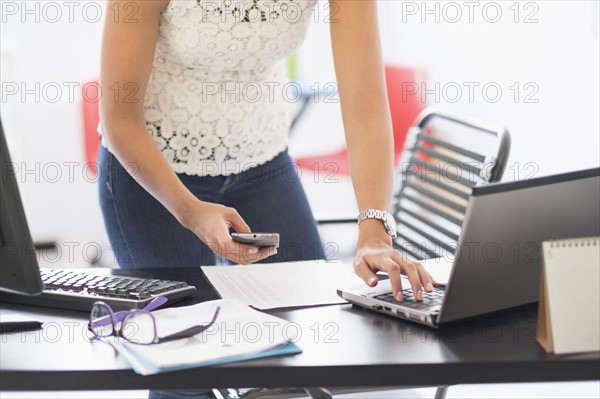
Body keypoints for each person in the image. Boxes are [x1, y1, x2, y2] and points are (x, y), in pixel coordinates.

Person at [98, 0, 436, 397]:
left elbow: (363, 102)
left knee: (308, 340)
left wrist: (374, 230)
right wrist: (191, 212)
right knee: (184, 366)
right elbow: (119, 117)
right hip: (151, 171)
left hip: (261, 159)